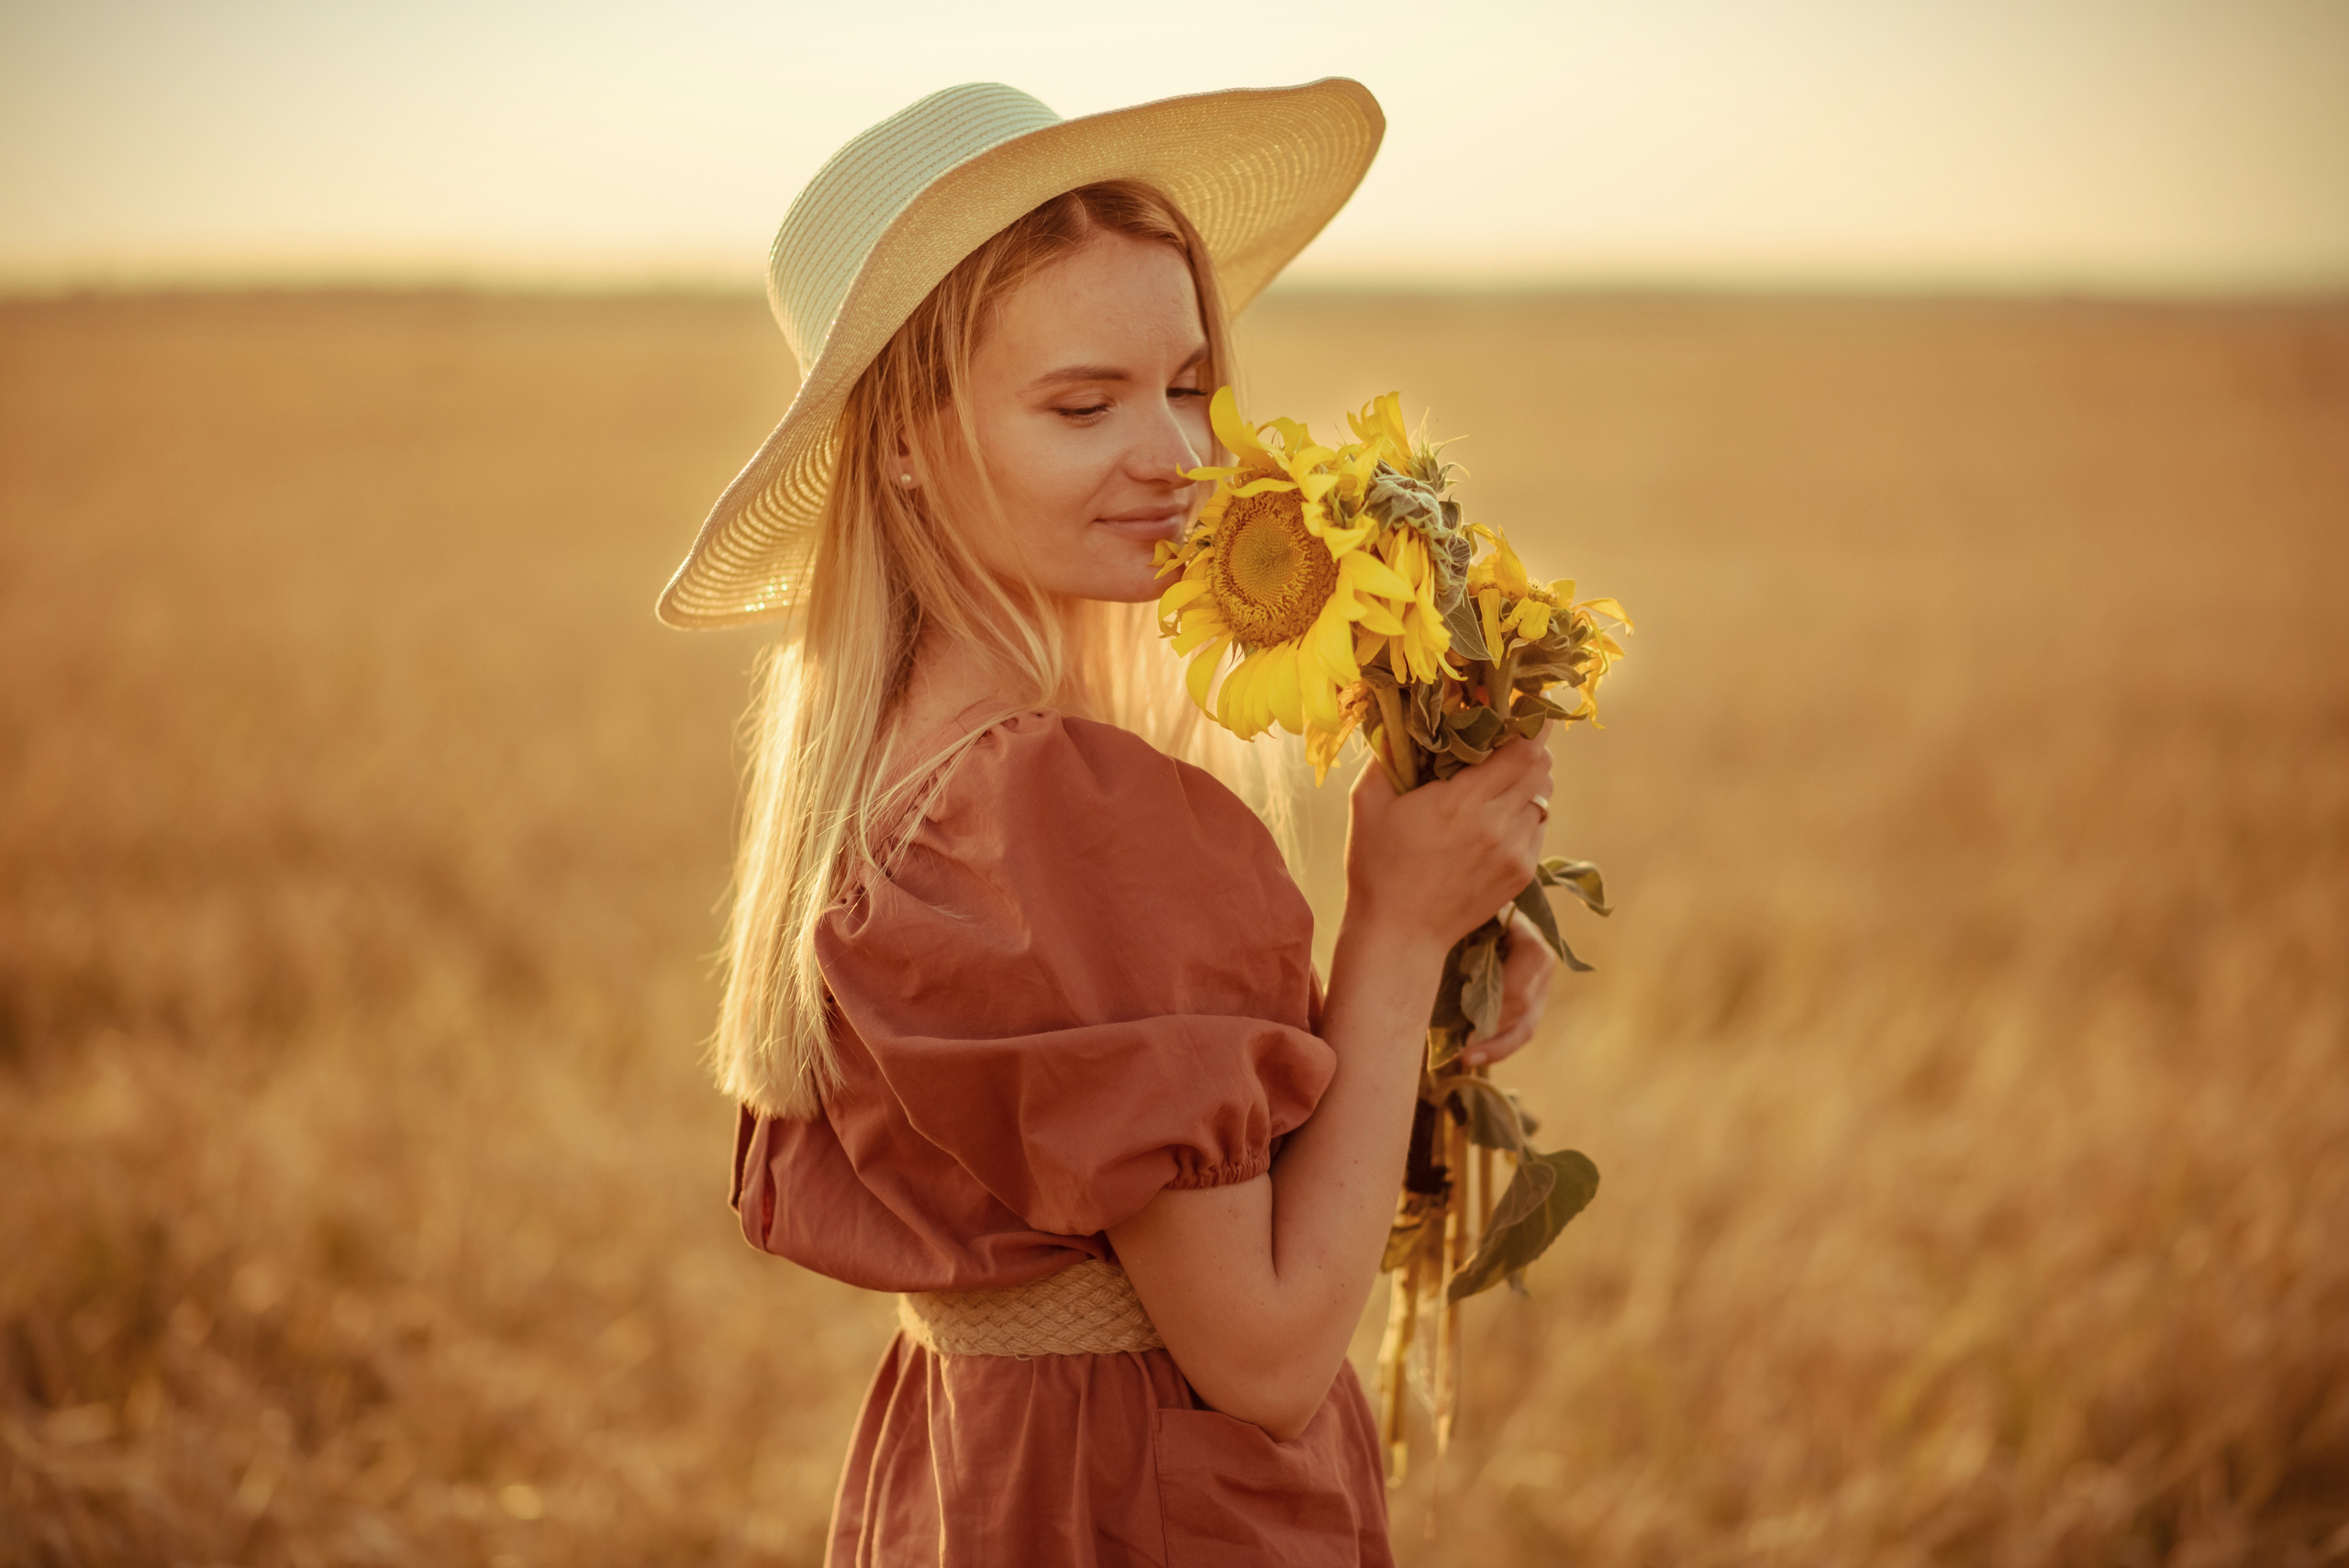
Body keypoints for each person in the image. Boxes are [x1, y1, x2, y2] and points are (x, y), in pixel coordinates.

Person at [657, 80, 1559, 1567]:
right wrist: (1398, 931)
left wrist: (1433, 955)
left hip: (972, 1477)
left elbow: (1150, 1173)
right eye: (1084, 405)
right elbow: (1266, 1354)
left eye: (1190, 386)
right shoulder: (1062, 807)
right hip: (1138, 1504)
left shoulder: (904, 761)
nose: (1179, 456)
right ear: (899, 441)